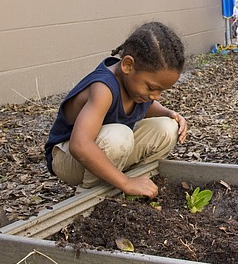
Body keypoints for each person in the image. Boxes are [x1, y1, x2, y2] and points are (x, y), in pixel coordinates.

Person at [45, 22, 188, 197]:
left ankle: (136, 183)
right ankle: (91, 197)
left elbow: (147, 106)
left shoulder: (135, 86)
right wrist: (125, 183)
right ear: (128, 65)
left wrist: (169, 114)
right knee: (119, 136)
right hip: (68, 158)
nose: (156, 96)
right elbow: (80, 145)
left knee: (167, 128)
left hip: (107, 150)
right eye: (152, 88)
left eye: (161, 91)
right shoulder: (103, 89)